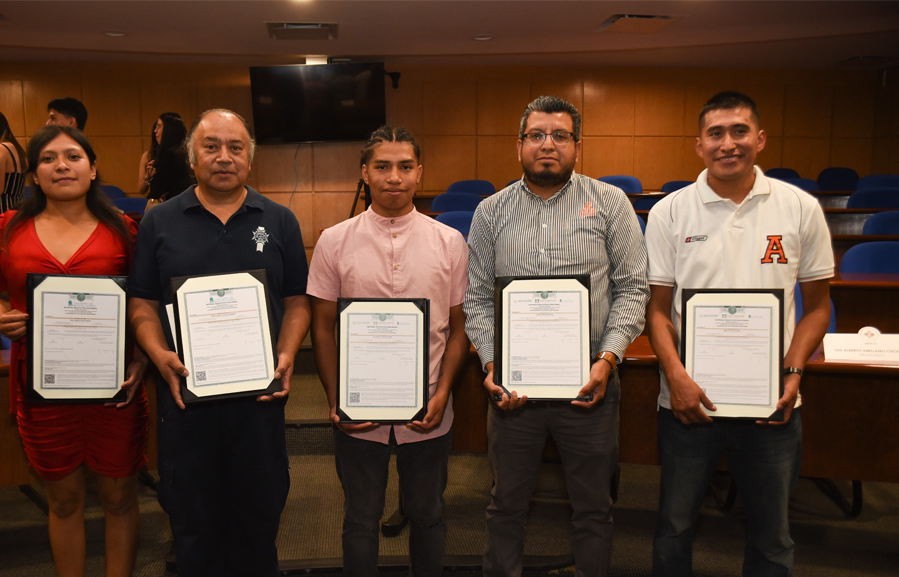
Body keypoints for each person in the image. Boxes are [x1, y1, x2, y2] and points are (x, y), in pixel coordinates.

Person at [645, 91, 834, 577]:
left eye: (739, 131)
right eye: (716, 133)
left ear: (760, 138)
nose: (728, 143)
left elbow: (817, 307)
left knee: (772, 535)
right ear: (698, 145)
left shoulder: (799, 207)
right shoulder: (670, 212)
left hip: (772, 403)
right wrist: (677, 377)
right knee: (673, 528)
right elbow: (658, 311)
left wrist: (793, 371)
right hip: (688, 401)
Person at [464, 95, 649, 577]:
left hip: (590, 385)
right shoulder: (490, 212)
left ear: (577, 145)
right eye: (537, 135)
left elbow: (633, 289)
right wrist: (491, 366)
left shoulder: (610, 203)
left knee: (593, 508)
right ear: (519, 144)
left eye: (560, 136)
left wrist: (606, 361)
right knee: (505, 505)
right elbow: (479, 299)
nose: (548, 145)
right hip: (514, 390)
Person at [127, 108, 310, 577]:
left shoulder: (280, 220)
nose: (223, 157)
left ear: (250, 158)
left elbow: (296, 302)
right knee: (193, 528)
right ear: (192, 158)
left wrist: (287, 354)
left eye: (235, 147)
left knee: (258, 522)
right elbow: (142, 303)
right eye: (211, 147)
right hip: (186, 404)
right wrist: (156, 354)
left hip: (259, 402)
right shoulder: (159, 221)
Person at [0, 125, 150, 577]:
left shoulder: (124, 230)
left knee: (119, 497)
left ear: (93, 168)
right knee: (63, 500)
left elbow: (143, 304)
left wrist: (140, 359)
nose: (61, 165)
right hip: (43, 387)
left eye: (73, 156)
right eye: (48, 158)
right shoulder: (9, 228)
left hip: (113, 387)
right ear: (34, 174)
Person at [307, 126, 470, 577]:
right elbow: (322, 328)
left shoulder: (449, 242)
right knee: (360, 519)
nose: (393, 177)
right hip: (358, 413)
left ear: (419, 172)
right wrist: (334, 397)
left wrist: (443, 394)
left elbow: (459, 330)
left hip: (430, 409)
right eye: (382, 167)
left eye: (404, 166)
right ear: (365, 172)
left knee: (429, 514)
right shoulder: (333, 241)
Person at [137, 112, 193, 208]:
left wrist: (154, 198)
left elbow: (156, 191)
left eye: (159, 127)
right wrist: (148, 178)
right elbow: (142, 189)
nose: (155, 131)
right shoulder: (186, 152)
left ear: (169, 130)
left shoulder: (169, 154)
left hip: (172, 207)